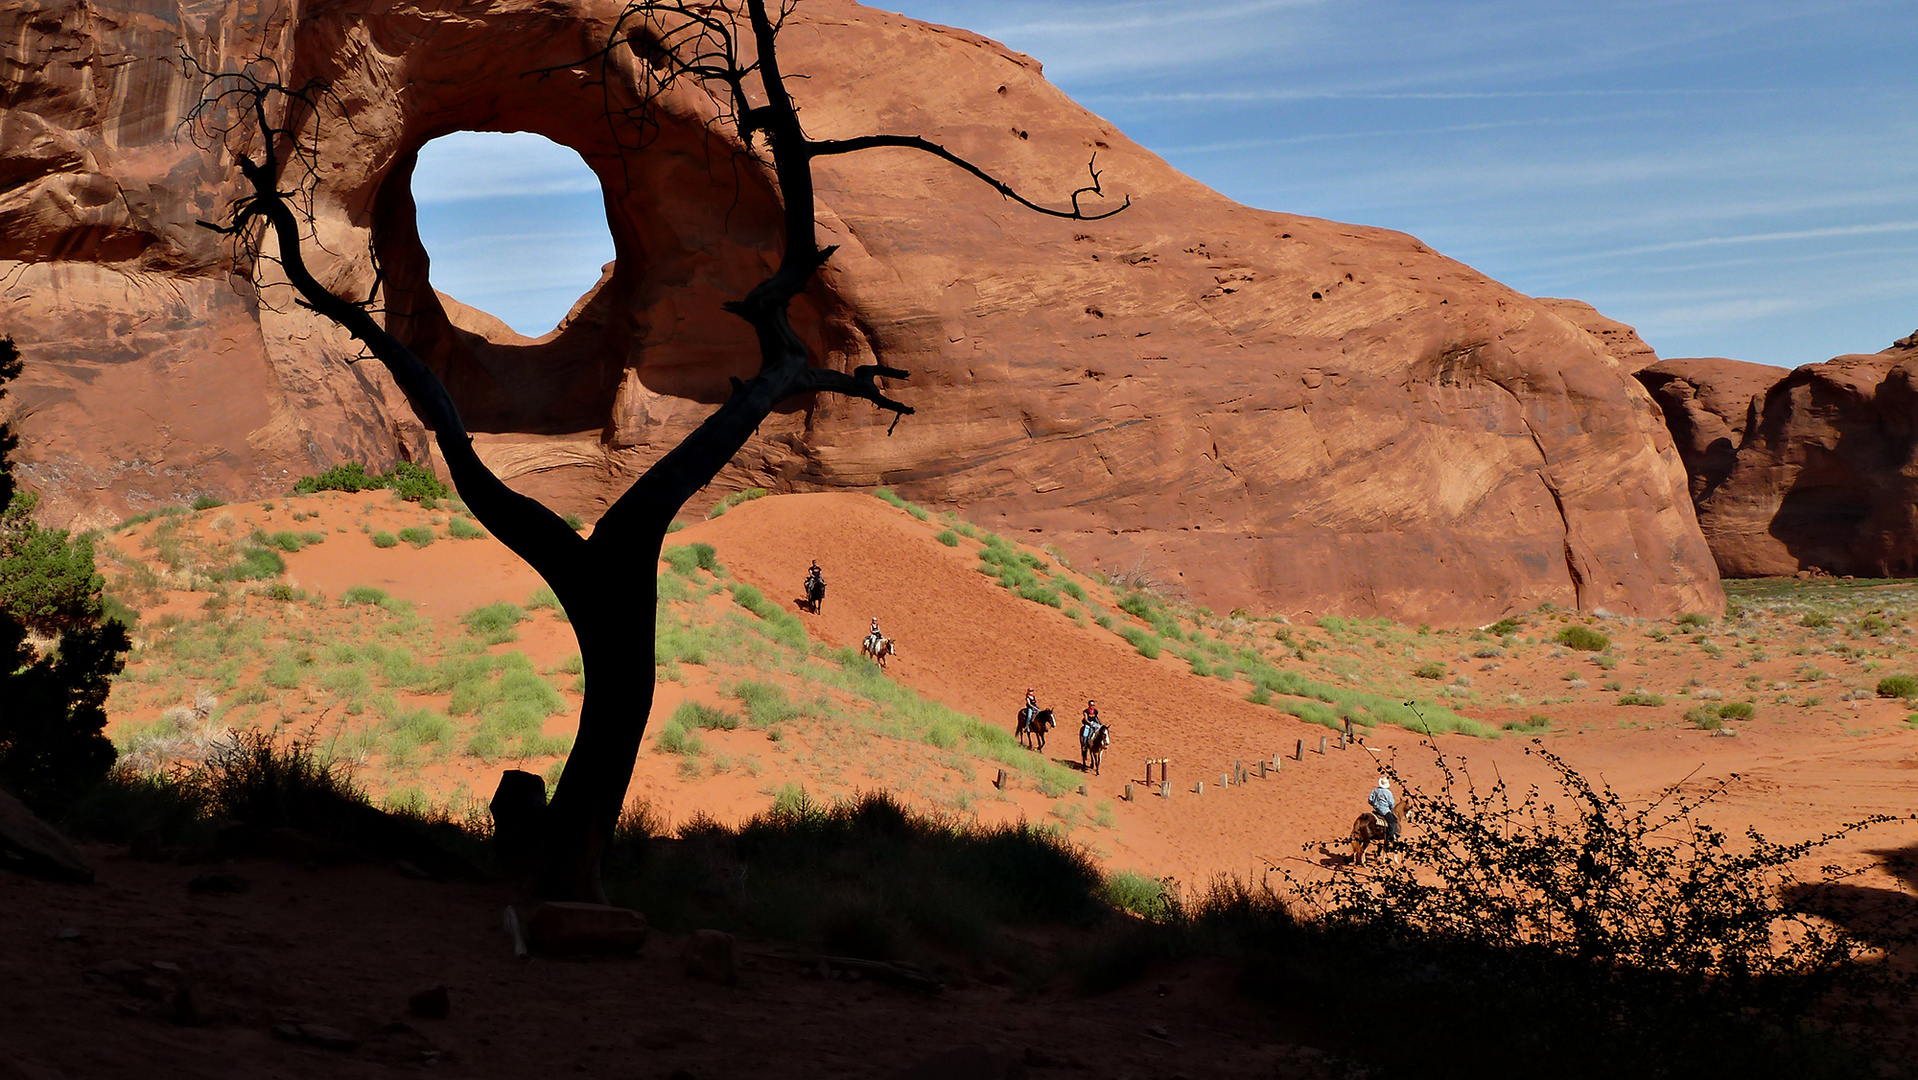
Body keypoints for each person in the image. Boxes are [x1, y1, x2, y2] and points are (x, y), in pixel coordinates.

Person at [1368, 777, 1400, 843]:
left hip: (1376, 810)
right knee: (1392, 821)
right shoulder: (1388, 792)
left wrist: (1374, 804)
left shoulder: (1375, 790)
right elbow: (1391, 803)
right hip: (1384, 811)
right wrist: (1391, 808)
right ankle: (1391, 837)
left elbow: (1370, 799)